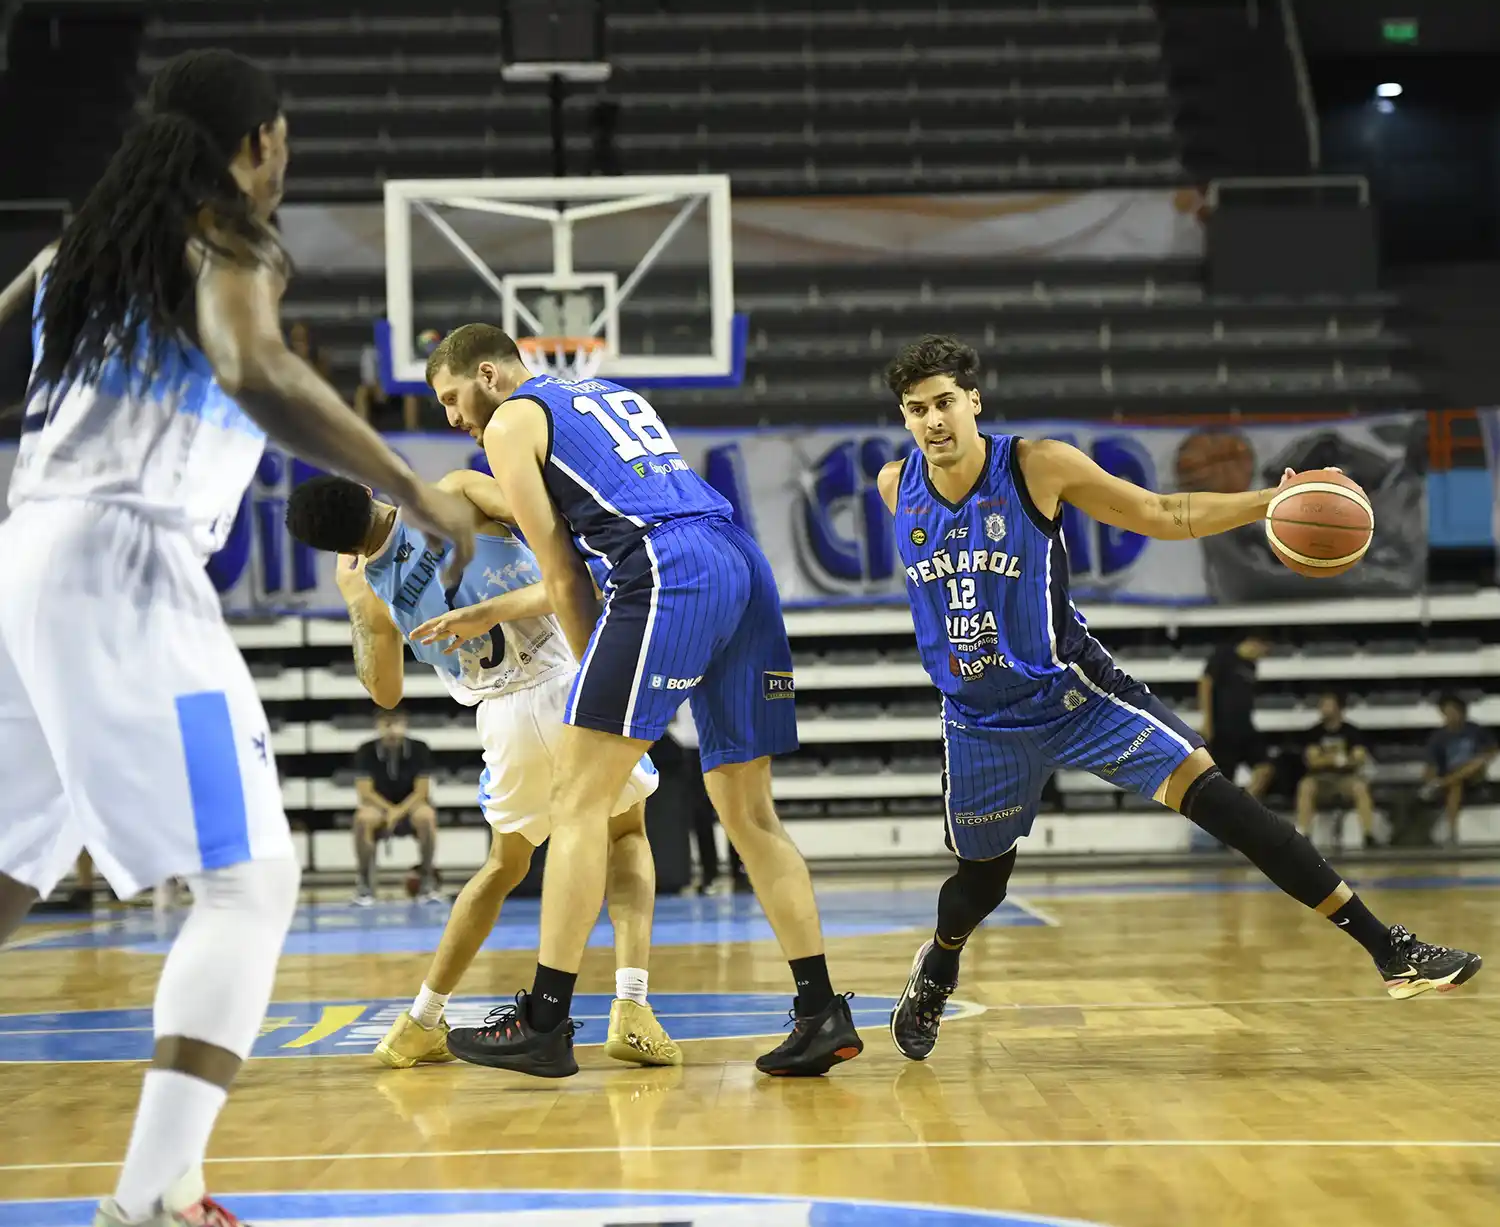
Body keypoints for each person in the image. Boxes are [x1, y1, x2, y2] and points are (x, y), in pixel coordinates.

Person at [0, 50, 474, 1227]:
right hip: (122, 567)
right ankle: (158, 1196)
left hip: (26, 556)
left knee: (10, 865)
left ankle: (171, 1186)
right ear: (258, 141)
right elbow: (252, 365)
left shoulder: (79, 248)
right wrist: (413, 491)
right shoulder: (226, 235)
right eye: (286, 144)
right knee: (251, 882)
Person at [874, 335, 1480, 1063]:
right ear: (904, 418)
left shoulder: (1036, 464)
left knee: (1228, 805)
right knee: (981, 885)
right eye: (917, 409)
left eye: (944, 402)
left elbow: (1163, 512)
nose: (933, 420)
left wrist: (1270, 501)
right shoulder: (893, 485)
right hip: (977, 720)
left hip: (1077, 697)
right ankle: (939, 963)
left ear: (973, 401)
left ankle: (1390, 949)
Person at [425, 322, 863, 1078]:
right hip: (739, 560)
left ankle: (544, 1019)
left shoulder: (509, 420)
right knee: (749, 812)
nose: (453, 418)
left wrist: (595, 667)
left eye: (451, 397)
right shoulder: (603, 392)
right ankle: (819, 1008)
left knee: (578, 799)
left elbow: (564, 573)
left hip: (666, 569)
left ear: (489, 375)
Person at [286, 470, 680, 1071]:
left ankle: (419, 1021)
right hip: (568, 679)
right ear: (367, 491)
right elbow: (557, 535)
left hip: (502, 717)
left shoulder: (368, 588)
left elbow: (384, 692)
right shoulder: (458, 492)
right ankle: (630, 1007)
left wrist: (356, 608)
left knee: (503, 867)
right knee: (625, 833)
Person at [351, 708, 440, 905]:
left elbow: (422, 791)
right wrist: (390, 811)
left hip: (410, 806)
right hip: (379, 808)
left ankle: (427, 880)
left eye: (396, 723)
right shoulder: (365, 750)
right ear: (377, 726)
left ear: (405, 725)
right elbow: (365, 792)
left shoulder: (419, 748)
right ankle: (365, 884)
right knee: (363, 818)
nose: (391, 729)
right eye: (386, 724)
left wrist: (399, 812)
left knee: (426, 816)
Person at [1295, 692, 1375, 849]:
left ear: (1339, 708)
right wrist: (1339, 759)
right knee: (1306, 786)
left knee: (1360, 787)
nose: (1323, 709)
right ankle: (1303, 835)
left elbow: (1358, 759)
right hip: (1321, 779)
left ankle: (1368, 835)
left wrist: (1328, 759)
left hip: (1345, 780)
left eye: (1328, 705)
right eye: (1322, 705)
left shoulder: (1352, 732)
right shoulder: (1314, 732)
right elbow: (1313, 762)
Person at [1199, 634, 1275, 800]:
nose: (1262, 656)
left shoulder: (1251, 666)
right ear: (1254, 642)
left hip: (1245, 728)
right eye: (1263, 651)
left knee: (1265, 767)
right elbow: (1206, 683)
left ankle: (1244, 806)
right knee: (1222, 779)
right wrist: (1207, 721)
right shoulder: (1224, 655)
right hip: (1223, 729)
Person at [1422, 694, 1496, 845]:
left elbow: (1492, 750)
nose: (1451, 715)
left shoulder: (1476, 730)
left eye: (1454, 711)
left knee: (1476, 762)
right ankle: (1452, 831)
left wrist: (1485, 758)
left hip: (1476, 774)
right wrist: (1430, 777)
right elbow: (1431, 764)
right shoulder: (1438, 737)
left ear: (1462, 712)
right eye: (1447, 712)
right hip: (1453, 776)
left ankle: (1443, 783)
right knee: (1455, 786)